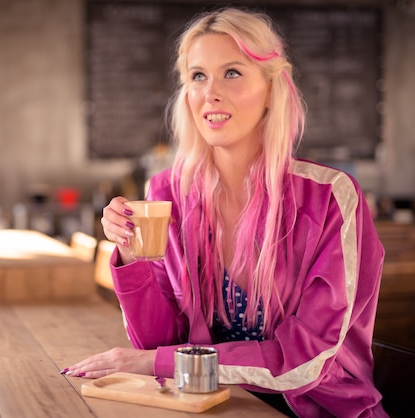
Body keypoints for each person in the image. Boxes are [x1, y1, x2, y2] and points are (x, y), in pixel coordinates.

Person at [62, 7, 388, 417]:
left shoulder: (331, 199)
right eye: (198, 76)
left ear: (271, 90)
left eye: (232, 72)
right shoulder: (167, 194)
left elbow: (307, 361)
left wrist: (155, 363)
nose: (210, 93)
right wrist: (130, 253)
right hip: (217, 406)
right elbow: (158, 340)